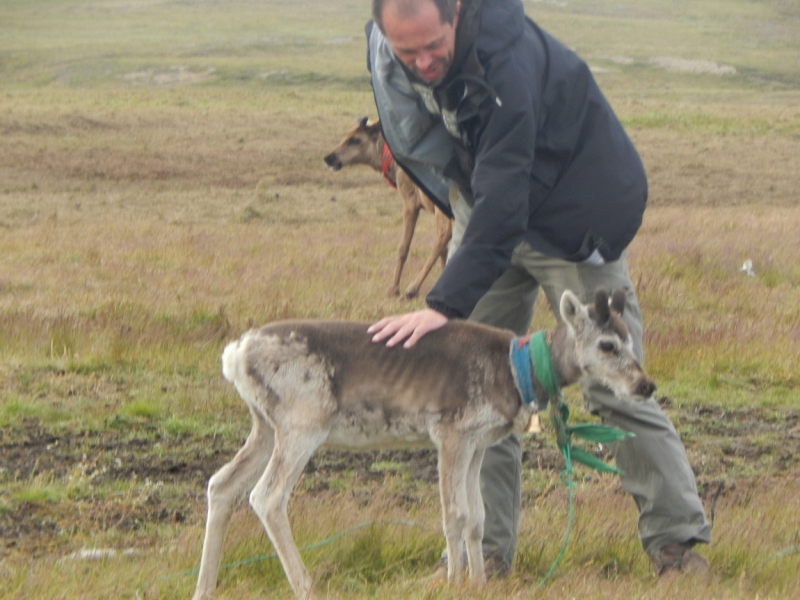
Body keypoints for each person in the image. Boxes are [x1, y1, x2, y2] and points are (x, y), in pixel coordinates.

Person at [363, 0, 712, 578]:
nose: (422, 62)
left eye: (433, 47)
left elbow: (507, 195)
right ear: (382, 33)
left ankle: (676, 546)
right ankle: (485, 556)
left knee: (616, 382)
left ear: (456, 14)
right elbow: (453, 167)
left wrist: (441, 305)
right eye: (407, 52)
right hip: (488, 215)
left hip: (573, 224)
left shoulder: (507, 62)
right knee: (476, 387)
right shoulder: (385, 51)